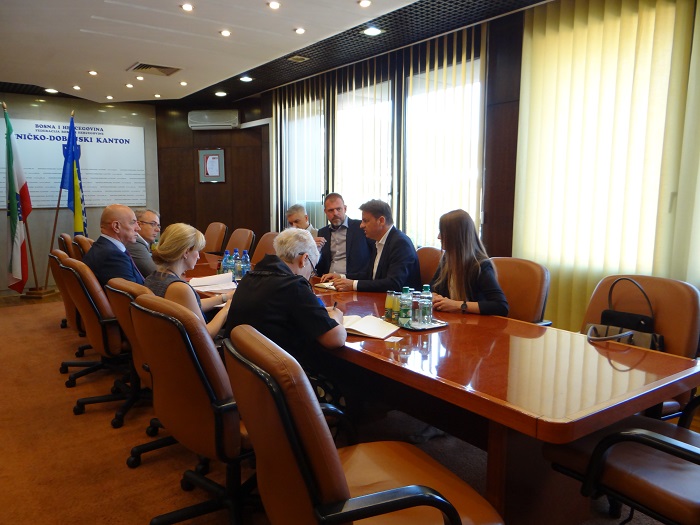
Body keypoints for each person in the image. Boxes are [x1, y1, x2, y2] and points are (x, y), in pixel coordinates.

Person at [225, 227, 346, 369]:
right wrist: (335, 316)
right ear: (304, 259)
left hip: (243, 371)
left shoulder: (249, 278)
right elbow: (335, 339)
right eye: (312, 270)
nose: (310, 275)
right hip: (279, 374)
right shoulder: (293, 286)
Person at [145, 223, 232, 339]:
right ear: (186, 252)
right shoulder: (178, 288)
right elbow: (206, 334)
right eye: (197, 251)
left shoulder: (153, 278)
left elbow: (192, 305)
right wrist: (226, 310)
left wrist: (224, 297)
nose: (199, 256)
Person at [323, 199, 421, 293]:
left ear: (381, 221)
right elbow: (371, 275)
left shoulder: (400, 243)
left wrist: (353, 285)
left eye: (366, 221)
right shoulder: (378, 242)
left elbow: (394, 283)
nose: (361, 225)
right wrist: (341, 277)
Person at [430, 209, 508, 316]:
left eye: (442, 232)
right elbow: (432, 288)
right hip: (453, 321)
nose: (439, 236)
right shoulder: (447, 258)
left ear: (456, 236)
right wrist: (433, 296)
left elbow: (501, 306)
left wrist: (458, 305)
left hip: (475, 323)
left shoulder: (481, 266)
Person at [82, 204, 145, 287]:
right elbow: (132, 293)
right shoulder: (112, 256)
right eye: (133, 222)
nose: (138, 228)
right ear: (116, 226)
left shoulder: (103, 247)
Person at [315, 193, 373, 279]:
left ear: (345, 209)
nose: (335, 213)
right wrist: (315, 251)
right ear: (325, 212)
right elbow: (320, 266)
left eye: (338, 209)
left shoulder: (361, 227)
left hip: (353, 281)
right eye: (330, 210)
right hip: (327, 281)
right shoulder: (322, 232)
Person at [126, 208, 160, 277]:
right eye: (153, 224)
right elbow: (155, 274)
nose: (158, 229)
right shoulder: (135, 243)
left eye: (158, 225)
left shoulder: (146, 243)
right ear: (138, 225)